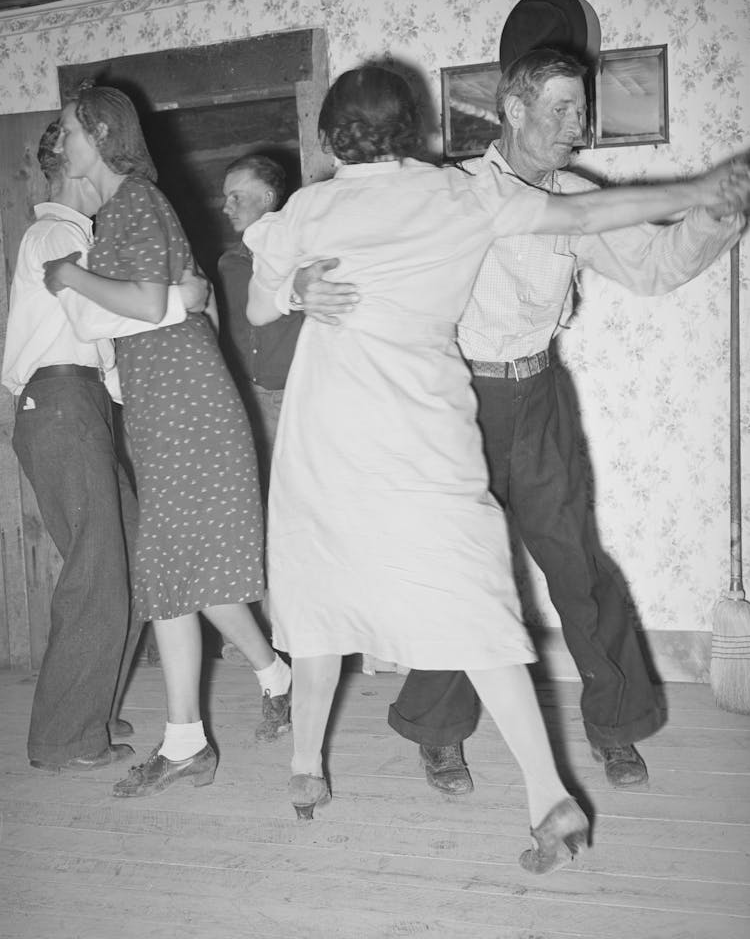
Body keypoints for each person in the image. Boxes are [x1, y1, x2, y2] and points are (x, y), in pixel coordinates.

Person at [242, 64, 746, 872]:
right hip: (446, 404)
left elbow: (649, 263)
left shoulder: (337, 205)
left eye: (582, 111)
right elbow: (585, 211)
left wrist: (715, 208)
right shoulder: (461, 193)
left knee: (548, 568)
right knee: (463, 586)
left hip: (446, 406)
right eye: (561, 109)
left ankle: (606, 732)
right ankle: (492, 764)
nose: (574, 125)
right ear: (502, 112)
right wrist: (695, 183)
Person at [42, 85, 291, 799]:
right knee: (176, 576)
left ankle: (193, 738)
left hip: (185, 411)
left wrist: (69, 275)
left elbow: (151, 302)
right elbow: (163, 305)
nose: (59, 145)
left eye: (66, 131)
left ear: (97, 133)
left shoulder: (134, 203)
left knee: (170, 575)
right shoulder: (119, 214)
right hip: (166, 410)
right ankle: (254, 694)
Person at [1, 120, 191, 773]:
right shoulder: (58, 236)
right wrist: (176, 306)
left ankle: (90, 710)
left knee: (130, 558)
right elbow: (92, 316)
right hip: (58, 403)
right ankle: (63, 738)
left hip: (73, 402)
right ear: (75, 167)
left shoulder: (76, 237)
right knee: (96, 571)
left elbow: (102, 354)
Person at [215, 153, 303, 490]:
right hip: (250, 397)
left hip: (295, 395)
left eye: (236, 196)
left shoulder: (302, 257)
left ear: (268, 197)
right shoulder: (230, 263)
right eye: (225, 198)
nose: (227, 207)